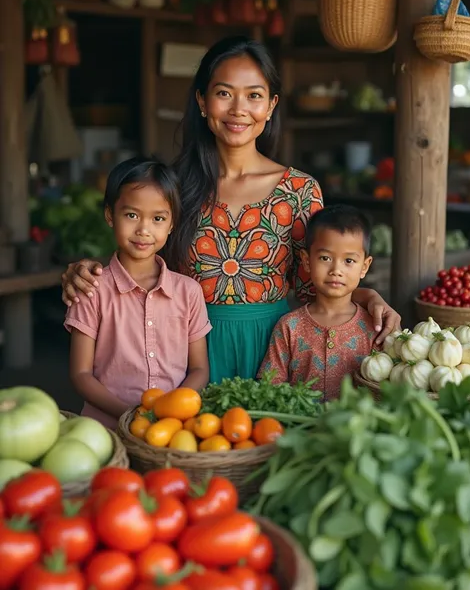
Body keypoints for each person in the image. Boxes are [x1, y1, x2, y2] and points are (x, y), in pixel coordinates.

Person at [61, 36, 400, 384]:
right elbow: (140, 259)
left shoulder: (299, 191)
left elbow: (316, 285)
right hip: (183, 349)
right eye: (224, 93)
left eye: (254, 95)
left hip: (274, 347)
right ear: (203, 102)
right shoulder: (173, 187)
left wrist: (369, 295)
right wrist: (87, 273)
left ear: (270, 106)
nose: (239, 108)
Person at [64, 157, 211, 429]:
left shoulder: (188, 291)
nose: (144, 229)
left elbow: (199, 369)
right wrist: (130, 416)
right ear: (110, 215)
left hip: (170, 428)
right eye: (131, 215)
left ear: (172, 224)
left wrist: (169, 412)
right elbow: (80, 374)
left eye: (158, 218)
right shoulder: (90, 288)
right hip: (106, 428)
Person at [258, 205, 376, 400]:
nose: (336, 270)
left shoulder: (373, 329)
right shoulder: (289, 326)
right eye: (325, 258)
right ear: (306, 261)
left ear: (364, 266)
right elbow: (270, 385)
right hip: (298, 426)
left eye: (349, 261)